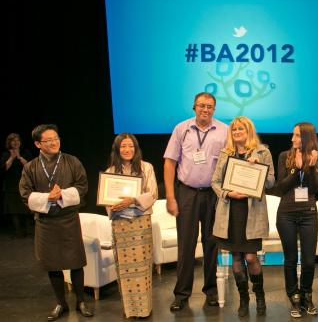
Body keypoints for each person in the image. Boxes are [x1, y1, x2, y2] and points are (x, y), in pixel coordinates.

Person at [19, 124, 93, 321]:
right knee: (52, 265)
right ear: (37, 144)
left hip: (68, 219)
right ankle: (61, 303)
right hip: (45, 222)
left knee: (76, 262)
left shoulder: (72, 161)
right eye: (48, 140)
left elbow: (82, 185)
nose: (53, 142)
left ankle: (81, 301)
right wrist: (47, 198)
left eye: (56, 138)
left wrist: (62, 195)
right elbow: (25, 194)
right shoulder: (30, 167)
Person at [163, 92, 228, 311]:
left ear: (214, 109)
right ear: (194, 107)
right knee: (186, 246)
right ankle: (181, 294)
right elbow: (170, 163)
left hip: (212, 194)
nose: (205, 110)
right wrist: (171, 198)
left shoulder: (224, 131)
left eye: (210, 106)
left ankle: (211, 291)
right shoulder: (181, 129)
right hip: (187, 193)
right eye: (201, 106)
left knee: (211, 244)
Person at [211, 116, 275, 317]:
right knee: (236, 258)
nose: (237, 132)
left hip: (252, 213)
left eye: (241, 128)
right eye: (234, 129)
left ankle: (260, 295)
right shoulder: (225, 153)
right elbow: (215, 181)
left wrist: (258, 169)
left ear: (249, 131)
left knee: (251, 257)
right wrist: (228, 193)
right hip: (230, 212)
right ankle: (243, 300)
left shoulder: (262, 152)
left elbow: (271, 182)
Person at [103, 133, 158, 318]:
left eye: (131, 146)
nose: (127, 150)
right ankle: (130, 310)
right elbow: (106, 199)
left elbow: (153, 193)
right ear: (117, 150)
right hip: (120, 224)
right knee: (125, 268)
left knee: (142, 267)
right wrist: (112, 204)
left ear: (136, 149)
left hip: (140, 223)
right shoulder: (110, 171)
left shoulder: (146, 167)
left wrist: (133, 200)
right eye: (123, 147)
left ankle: (144, 309)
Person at [274, 122, 318, 318]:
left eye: (296, 136)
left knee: (309, 261)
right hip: (286, 213)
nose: (292, 139)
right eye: (293, 135)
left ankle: (306, 294)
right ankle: (294, 296)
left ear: (306, 137)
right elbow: (281, 187)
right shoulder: (284, 157)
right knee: (290, 258)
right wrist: (297, 170)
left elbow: (314, 189)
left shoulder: (317, 158)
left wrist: (310, 168)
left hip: (308, 213)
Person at [2, 133, 32, 238]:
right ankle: (18, 232)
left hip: (25, 186)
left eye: (17, 140)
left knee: (26, 210)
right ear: (9, 143)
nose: (15, 142)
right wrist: (12, 157)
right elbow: (4, 168)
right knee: (14, 211)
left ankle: (29, 232)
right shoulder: (6, 154)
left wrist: (19, 157)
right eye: (13, 141)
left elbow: (29, 167)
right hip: (11, 186)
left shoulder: (25, 152)